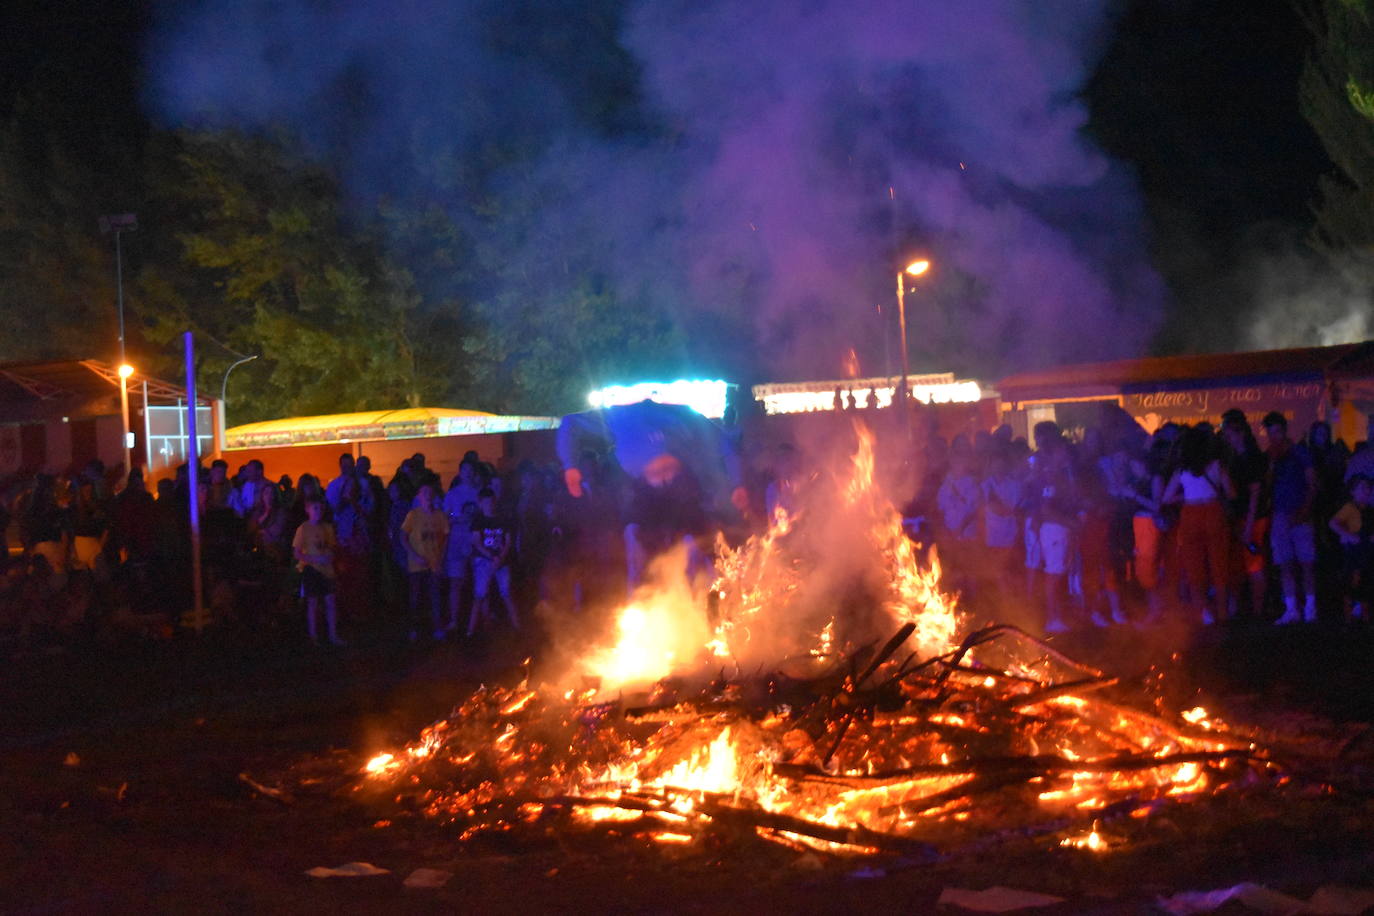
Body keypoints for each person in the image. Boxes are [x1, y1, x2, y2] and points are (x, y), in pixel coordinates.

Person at [1163, 426, 1235, 625]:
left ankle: (1203, 613)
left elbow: (1166, 498)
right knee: (1219, 563)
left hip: (1191, 515)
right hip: (1213, 513)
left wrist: (1185, 495)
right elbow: (1231, 493)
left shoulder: (1182, 471)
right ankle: (1222, 611)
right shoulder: (1216, 466)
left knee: (1195, 566)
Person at [1263, 412, 1318, 624]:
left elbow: (1312, 482)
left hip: (1299, 512)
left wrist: (1305, 509)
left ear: (1284, 431)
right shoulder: (1270, 457)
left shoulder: (1300, 453)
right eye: (1270, 433)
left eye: (1276, 431)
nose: (1273, 437)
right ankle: (1292, 609)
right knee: (1284, 563)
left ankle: (1311, 609)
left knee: (1306, 563)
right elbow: (1267, 486)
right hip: (1279, 514)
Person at [292, 497, 342, 645]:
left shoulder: (328, 528)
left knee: (330, 601)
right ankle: (313, 636)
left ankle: (333, 634)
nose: (318, 512)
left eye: (320, 508)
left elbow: (332, 546)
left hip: (327, 570)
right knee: (312, 603)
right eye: (315, 508)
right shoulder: (303, 528)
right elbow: (297, 552)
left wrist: (331, 556)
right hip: (311, 570)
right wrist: (315, 560)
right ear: (308, 509)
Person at [401, 482, 448, 640]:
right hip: (416, 564)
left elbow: (445, 537)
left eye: (430, 491)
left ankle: (437, 627)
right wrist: (414, 555)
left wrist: (441, 557)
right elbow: (403, 537)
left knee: (435, 596)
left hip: (434, 563)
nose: (427, 495)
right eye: (424, 492)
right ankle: (414, 628)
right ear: (419, 496)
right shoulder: (413, 515)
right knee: (416, 597)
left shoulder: (440, 516)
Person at [470, 487, 518, 633]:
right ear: (480, 503)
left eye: (491, 501)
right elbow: (476, 542)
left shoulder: (503, 519)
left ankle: (517, 627)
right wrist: (492, 557)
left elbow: (508, 541)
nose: (489, 504)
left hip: (501, 561)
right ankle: (470, 630)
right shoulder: (478, 520)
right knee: (479, 594)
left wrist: (500, 557)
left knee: (506, 592)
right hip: (484, 561)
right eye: (486, 502)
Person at [1329, 474, 1373, 620]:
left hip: (1367, 549)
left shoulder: (1370, 510)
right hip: (1354, 550)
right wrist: (1348, 535)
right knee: (1353, 579)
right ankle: (1349, 613)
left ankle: (1365, 613)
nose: (1366, 491)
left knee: (1367, 579)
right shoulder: (1350, 508)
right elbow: (1333, 523)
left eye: (1368, 487)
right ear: (1353, 491)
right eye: (1362, 488)